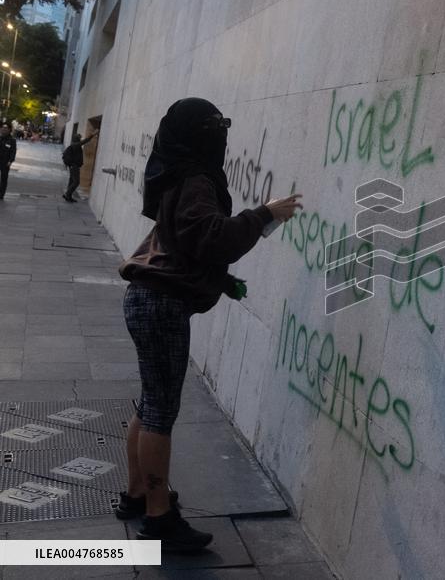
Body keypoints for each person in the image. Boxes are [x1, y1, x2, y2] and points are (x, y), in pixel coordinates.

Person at [117, 97, 302, 552]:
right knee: (160, 412)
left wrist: (219, 282)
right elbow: (211, 238)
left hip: (147, 300)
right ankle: (159, 519)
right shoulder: (197, 179)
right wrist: (265, 215)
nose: (222, 135)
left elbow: (185, 246)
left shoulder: (175, 176)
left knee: (150, 403)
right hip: (161, 306)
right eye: (216, 128)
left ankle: (139, 494)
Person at [62, 131, 97, 202]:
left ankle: (68, 196)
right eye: (79, 138)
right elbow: (85, 141)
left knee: (71, 181)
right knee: (76, 182)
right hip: (74, 166)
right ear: (77, 139)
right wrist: (92, 134)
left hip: (72, 166)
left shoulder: (73, 145)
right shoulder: (76, 145)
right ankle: (67, 194)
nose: (80, 139)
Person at [0, 122, 16, 200]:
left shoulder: (12, 140)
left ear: (9, 129)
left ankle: (1, 194)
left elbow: (13, 151)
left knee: (4, 178)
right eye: (3, 127)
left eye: (5, 128)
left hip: (5, 162)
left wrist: (10, 161)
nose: (3, 129)